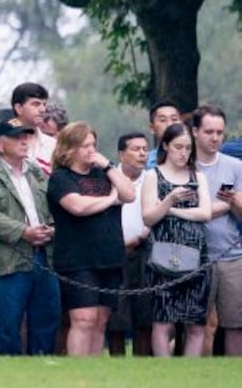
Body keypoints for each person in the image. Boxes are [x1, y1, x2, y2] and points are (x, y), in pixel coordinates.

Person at [0, 118, 57, 355]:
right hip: (8, 261)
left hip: (44, 256)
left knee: (47, 318)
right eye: (17, 137)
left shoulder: (37, 172)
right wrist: (24, 232)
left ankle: (43, 370)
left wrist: (51, 228)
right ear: (0, 144)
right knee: (7, 324)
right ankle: (6, 374)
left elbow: (53, 205)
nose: (24, 141)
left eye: (25, 136)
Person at [47, 121, 135, 355]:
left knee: (100, 321)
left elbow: (128, 194)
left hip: (110, 257)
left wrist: (108, 166)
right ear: (69, 148)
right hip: (78, 260)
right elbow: (78, 206)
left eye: (93, 144)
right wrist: (109, 200)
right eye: (85, 145)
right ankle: (78, 372)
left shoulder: (105, 173)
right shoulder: (60, 178)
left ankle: (94, 372)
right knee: (84, 318)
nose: (91, 150)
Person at [141, 121, 212, 356]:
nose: (183, 153)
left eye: (188, 148)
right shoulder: (153, 175)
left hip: (196, 254)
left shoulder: (197, 176)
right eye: (178, 147)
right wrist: (169, 200)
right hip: (162, 256)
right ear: (166, 146)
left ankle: (189, 373)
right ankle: (164, 372)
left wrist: (171, 211)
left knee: (195, 321)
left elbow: (205, 213)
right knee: (163, 320)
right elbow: (149, 217)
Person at [192, 105, 242, 355]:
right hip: (192, 256)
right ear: (195, 132)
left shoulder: (235, 166)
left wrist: (233, 203)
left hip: (231, 256)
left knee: (235, 324)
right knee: (196, 325)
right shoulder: (185, 165)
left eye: (220, 132)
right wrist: (227, 203)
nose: (215, 138)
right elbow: (186, 210)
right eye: (209, 131)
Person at [106, 131, 153, 357]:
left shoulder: (153, 179)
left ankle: (143, 368)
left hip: (145, 252)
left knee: (144, 317)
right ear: (121, 154)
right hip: (114, 253)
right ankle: (116, 367)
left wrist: (145, 233)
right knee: (116, 317)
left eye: (145, 149)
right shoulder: (107, 179)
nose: (142, 154)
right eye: (135, 149)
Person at [10, 81, 56, 174]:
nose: (43, 109)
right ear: (19, 108)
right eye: (36, 104)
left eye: (44, 104)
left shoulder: (53, 145)